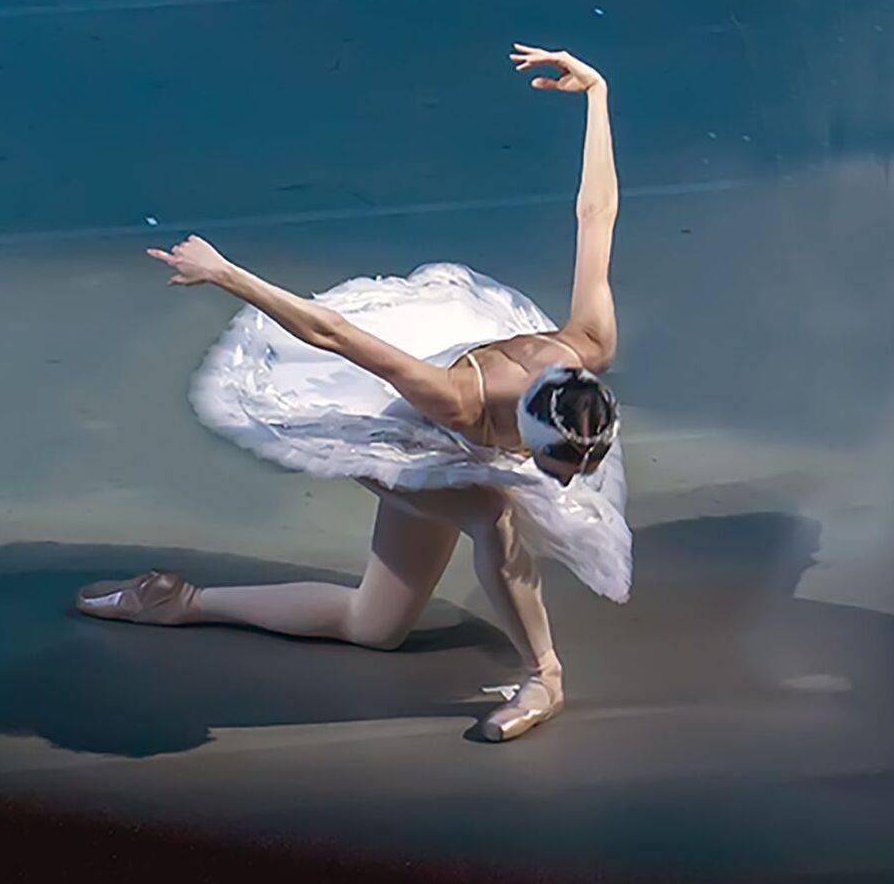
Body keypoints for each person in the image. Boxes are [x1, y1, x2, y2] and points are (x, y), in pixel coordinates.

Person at [76, 44, 626, 743]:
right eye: (558, 465)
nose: (568, 481)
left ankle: (179, 601)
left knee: (375, 624)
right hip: (399, 440)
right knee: (493, 515)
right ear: (527, 427)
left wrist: (598, 94)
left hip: (467, 441)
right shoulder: (456, 398)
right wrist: (225, 273)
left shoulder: (588, 344)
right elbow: (330, 332)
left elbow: (596, 214)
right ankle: (544, 673)